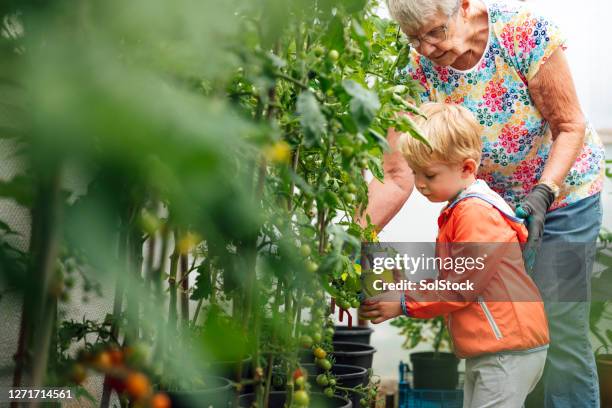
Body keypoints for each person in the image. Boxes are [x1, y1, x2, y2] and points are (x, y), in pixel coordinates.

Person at [359, 1, 605, 406]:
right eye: (413, 37)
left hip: (564, 195)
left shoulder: (523, 33)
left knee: (559, 327)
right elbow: (398, 173)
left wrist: (544, 191)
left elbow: (569, 124)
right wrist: (355, 236)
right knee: (509, 329)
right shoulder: (416, 71)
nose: (426, 47)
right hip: (493, 211)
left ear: (464, 5)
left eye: (434, 31)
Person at [360, 102, 550, 407]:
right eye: (415, 172)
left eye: (430, 175)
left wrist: (404, 302)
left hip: (506, 348)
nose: (420, 184)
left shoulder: (474, 213)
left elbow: (462, 286)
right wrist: (404, 287)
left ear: (466, 167)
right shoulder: (463, 208)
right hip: (494, 345)